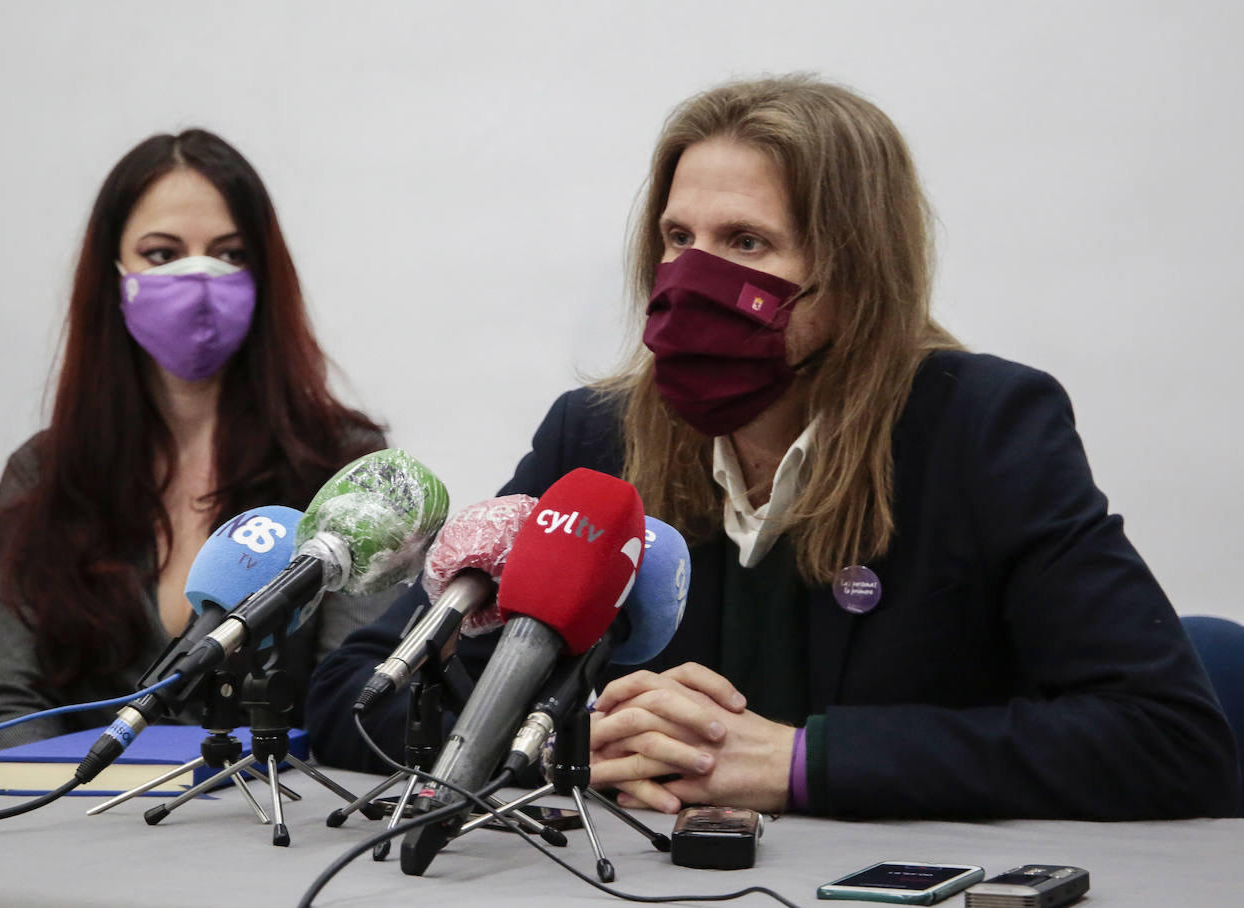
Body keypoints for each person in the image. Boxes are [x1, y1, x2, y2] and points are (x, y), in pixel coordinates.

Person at [305, 76, 1239, 819]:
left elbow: (1165, 738)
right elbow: (357, 693)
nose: (693, 278)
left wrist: (802, 761)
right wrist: (566, 742)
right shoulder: (595, 438)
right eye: (678, 239)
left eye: (746, 242)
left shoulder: (983, 428)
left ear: (855, 275)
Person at [0, 130, 394, 748]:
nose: (199, 279)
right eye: (163, 254)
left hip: (274, 822)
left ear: (265, 276)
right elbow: (7, 704)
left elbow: (352, 695)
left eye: (230, 254)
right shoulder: (43, 474)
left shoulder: (344, 465)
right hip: (82, 824)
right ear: (113, 273)